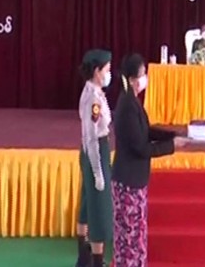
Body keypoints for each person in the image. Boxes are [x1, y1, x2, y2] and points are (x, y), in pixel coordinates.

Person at [111, 53, 190, 266]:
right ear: (132, 79)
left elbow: (145, 131)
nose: (144, 78)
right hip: (128, 182)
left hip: (135, 180)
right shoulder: (127, 106)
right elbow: (141, 147)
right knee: (129, 240)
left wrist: (172, 135)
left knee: (136, 237)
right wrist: (171, 146)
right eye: (142, 74)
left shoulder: (132, 101)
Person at [75, 49, 114, 267]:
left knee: (87, 202)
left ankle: (83, 257)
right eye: (107, 70)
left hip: (93, 150)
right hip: (95, 151)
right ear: (97, 71)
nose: (109, 74)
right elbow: (91, 136)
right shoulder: (93, 99)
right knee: (98, 207)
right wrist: (98, 171)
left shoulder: (95, 92)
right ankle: (97, 261)